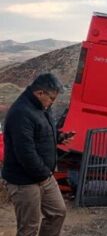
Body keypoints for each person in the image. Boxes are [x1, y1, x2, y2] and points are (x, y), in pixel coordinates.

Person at [2, 73, 71, 236]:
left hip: (44, 176)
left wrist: (59, 137)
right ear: (40, 93)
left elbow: (41, 133)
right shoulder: (21, 113)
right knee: (28, 228)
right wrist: (44, 175)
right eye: (51, 98)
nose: (52, 103)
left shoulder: (42, 107)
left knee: (58, 213)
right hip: (24, 181)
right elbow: (25, 153)